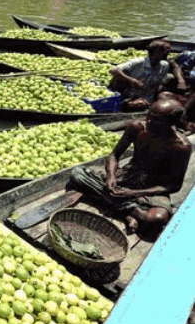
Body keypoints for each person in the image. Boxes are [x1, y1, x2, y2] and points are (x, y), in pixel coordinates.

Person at [66, 98, 192, 234]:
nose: (148, 121)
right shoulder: (138, 127)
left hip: (152, 188)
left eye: (155, 119)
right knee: (77, 174)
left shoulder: (181, 146)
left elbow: (174, 185)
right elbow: (114, 155)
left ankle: (122, 207)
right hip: (127, 175)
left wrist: (134, 193)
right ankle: (129, 210)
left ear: (170, 123)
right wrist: (111, 176)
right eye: (148, 115)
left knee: (157, 218)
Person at [109, 40, 172, 111]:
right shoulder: (139, 62)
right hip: (132, 95)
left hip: (147, 97)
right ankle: (125, 104)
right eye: (165, 52)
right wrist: (132, 80)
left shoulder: (165, 65)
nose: (167, 54)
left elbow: (161, 82)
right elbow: (114, 70)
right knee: (139, 104)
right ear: (156, 52)